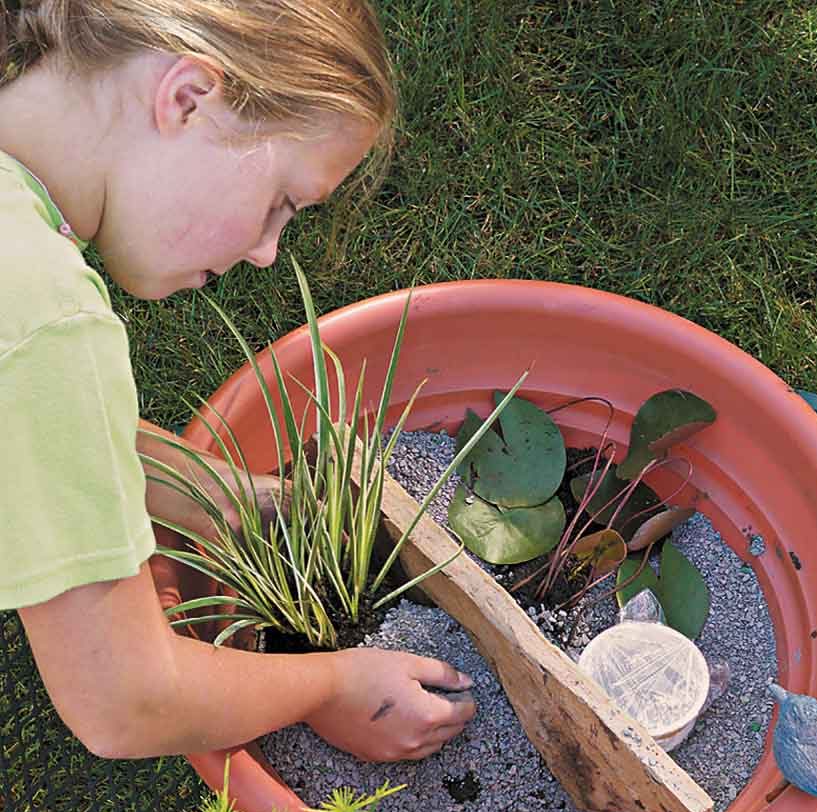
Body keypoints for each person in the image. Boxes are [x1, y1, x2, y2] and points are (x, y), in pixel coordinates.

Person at [0, 0, 477, 761]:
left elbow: (31, 424)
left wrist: (223, 497)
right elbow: (125, 702)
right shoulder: (46, 322)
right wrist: (333, 683)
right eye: (283, 204)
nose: (265, 251)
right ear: (186, 97)